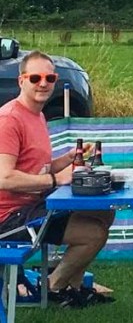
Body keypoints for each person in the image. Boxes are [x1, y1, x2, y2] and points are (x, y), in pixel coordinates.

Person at [0, 50, 115, 308]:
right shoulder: (9, 119)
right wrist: (55, 179)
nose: (43, 83)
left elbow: (36, 167)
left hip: (33, 207)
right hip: (9, 218)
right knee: (93, 233)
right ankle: (53, 287)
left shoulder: (36, 115)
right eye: (35, 78)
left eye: (50, 78)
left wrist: (70, 158)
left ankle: (73, 288)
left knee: (105, 212)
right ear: (21, 81)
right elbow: (4, 178)